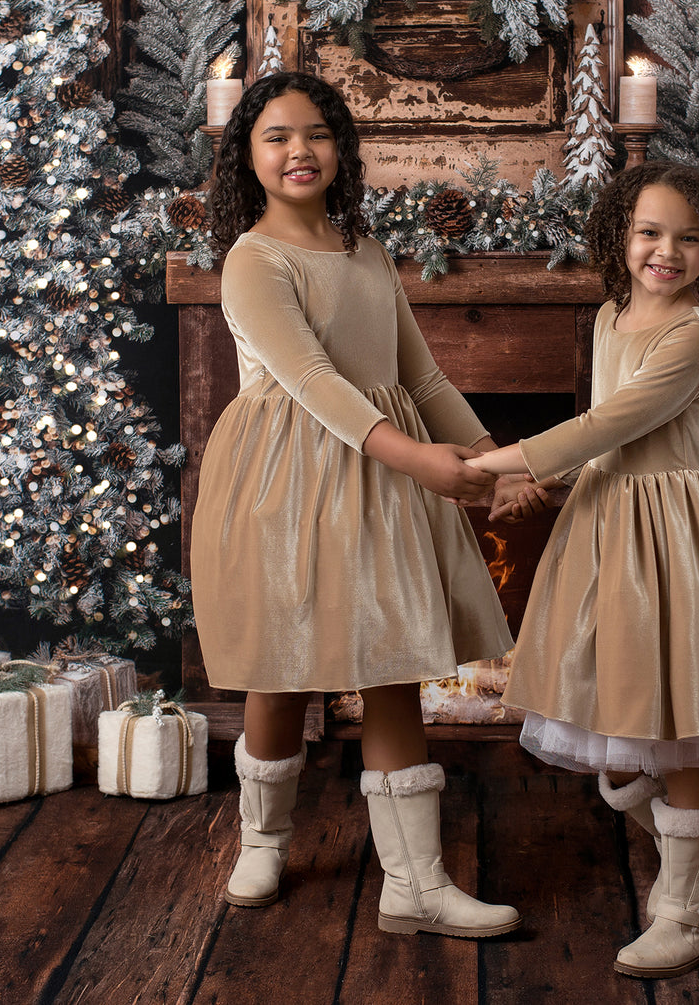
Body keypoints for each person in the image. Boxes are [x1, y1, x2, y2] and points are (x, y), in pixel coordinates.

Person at [471, 163, 699, 977]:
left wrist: (500, 465)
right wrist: (546, 484)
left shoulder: (696, 334)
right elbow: (608, 444)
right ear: (618, 237)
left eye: (688, 238)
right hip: (607, 531)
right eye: (648, 232)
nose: (665, 252)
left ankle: (687, 909)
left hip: (676, 541)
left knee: (683, 725)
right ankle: (686, 845)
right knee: (626, 727)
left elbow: (616, 418)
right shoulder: (609, 315)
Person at [192, 72, 520, 937]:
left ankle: (415, 883)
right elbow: (310, 381)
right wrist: (418, 458)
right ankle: (261, 840)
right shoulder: (253, 259)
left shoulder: (364, 250)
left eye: (316, 134)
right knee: (278, 669)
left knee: (391, 667)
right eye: (276, 136)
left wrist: (497, 457)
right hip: (288, 478)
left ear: (340, 149)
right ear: (247, 157)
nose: (298, 151)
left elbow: (422, 375)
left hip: (378, 480)